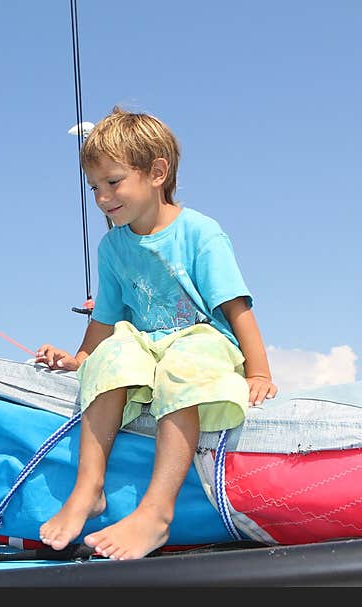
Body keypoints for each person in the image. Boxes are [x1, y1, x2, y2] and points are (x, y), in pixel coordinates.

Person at [36, 106, 277, 560]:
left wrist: (259, 371)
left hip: (203, 337)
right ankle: (89, 488)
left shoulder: (201, 233)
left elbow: (236, 306)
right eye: (94, 188)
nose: (103, 198)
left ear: (157, 173)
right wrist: (80, 359)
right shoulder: (112, 246)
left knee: (182, 367)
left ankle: (157, 512)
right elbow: (104, 321)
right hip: (147, 341)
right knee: (113, 355)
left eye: (113, 182)